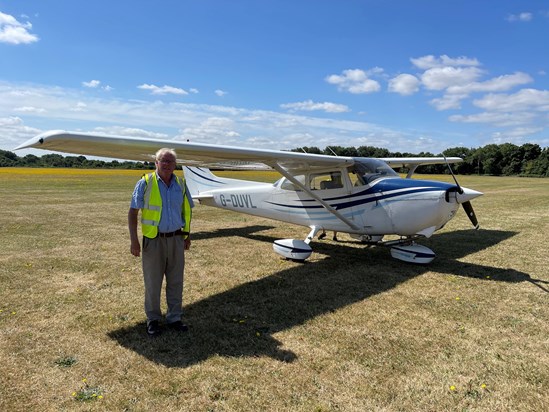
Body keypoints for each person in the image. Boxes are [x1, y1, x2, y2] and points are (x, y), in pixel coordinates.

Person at [128, 148, 194, 337]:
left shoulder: (180, 184)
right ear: (155, 162)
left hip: (176, 239)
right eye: (162, 161)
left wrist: (187, 235)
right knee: (153, 282)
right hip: (153, 241)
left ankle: (174, 318)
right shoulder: (145, 183)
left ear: (175, 165)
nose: (166, 164)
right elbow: (133, 212)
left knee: (176, 281)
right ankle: (153, 320)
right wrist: (134, 240)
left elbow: (186, 211)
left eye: (170, 161)